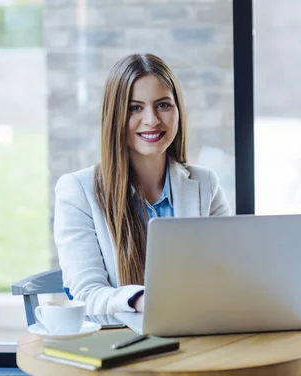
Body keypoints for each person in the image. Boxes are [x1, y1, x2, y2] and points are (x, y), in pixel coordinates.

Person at [53, 53, 230, 316]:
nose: (152, 120)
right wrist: (140, 300)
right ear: (115, 117)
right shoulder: (77, 191)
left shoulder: (205, 184)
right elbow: (87, 295)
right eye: (135, 108)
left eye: (163, 105)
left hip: (195, 333)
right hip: (121, 341)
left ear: (178, 110)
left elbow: (228, 274)